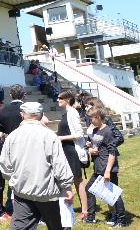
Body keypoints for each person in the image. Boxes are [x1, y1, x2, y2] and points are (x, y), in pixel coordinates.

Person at [0, 102, 74, 230]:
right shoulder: (49, 135)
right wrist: (67, 187)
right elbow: (60, 165)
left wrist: (14, 180)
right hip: (46, 193)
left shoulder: (12, 136)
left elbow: (5, 166)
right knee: (57, 226)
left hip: (23, 191)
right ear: (41, 115)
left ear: (22, 115)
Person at [84, 107, 127, 227]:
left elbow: (112, 153)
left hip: (107, 167)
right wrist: (90, 147)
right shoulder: (95, 130)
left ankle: (122, 220)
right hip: (99, 166)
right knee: (89, 189)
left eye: (92, 118)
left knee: (113, 195)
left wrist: (108, 171)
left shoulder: (107, 131)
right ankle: (91, 217)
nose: (90, 121)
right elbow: (96, 146)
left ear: (98, 117)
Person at [56, 90, 89, 221]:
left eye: (60, 98)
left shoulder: (73, 113)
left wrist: (61, 138)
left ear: (68, 99)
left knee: (78, 180)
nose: (58, 100)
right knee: (69, 179)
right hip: (65, 149)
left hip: (72, 150)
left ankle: (85, 210)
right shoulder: (66, 113)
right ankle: (70, 206)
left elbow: (79, 134)